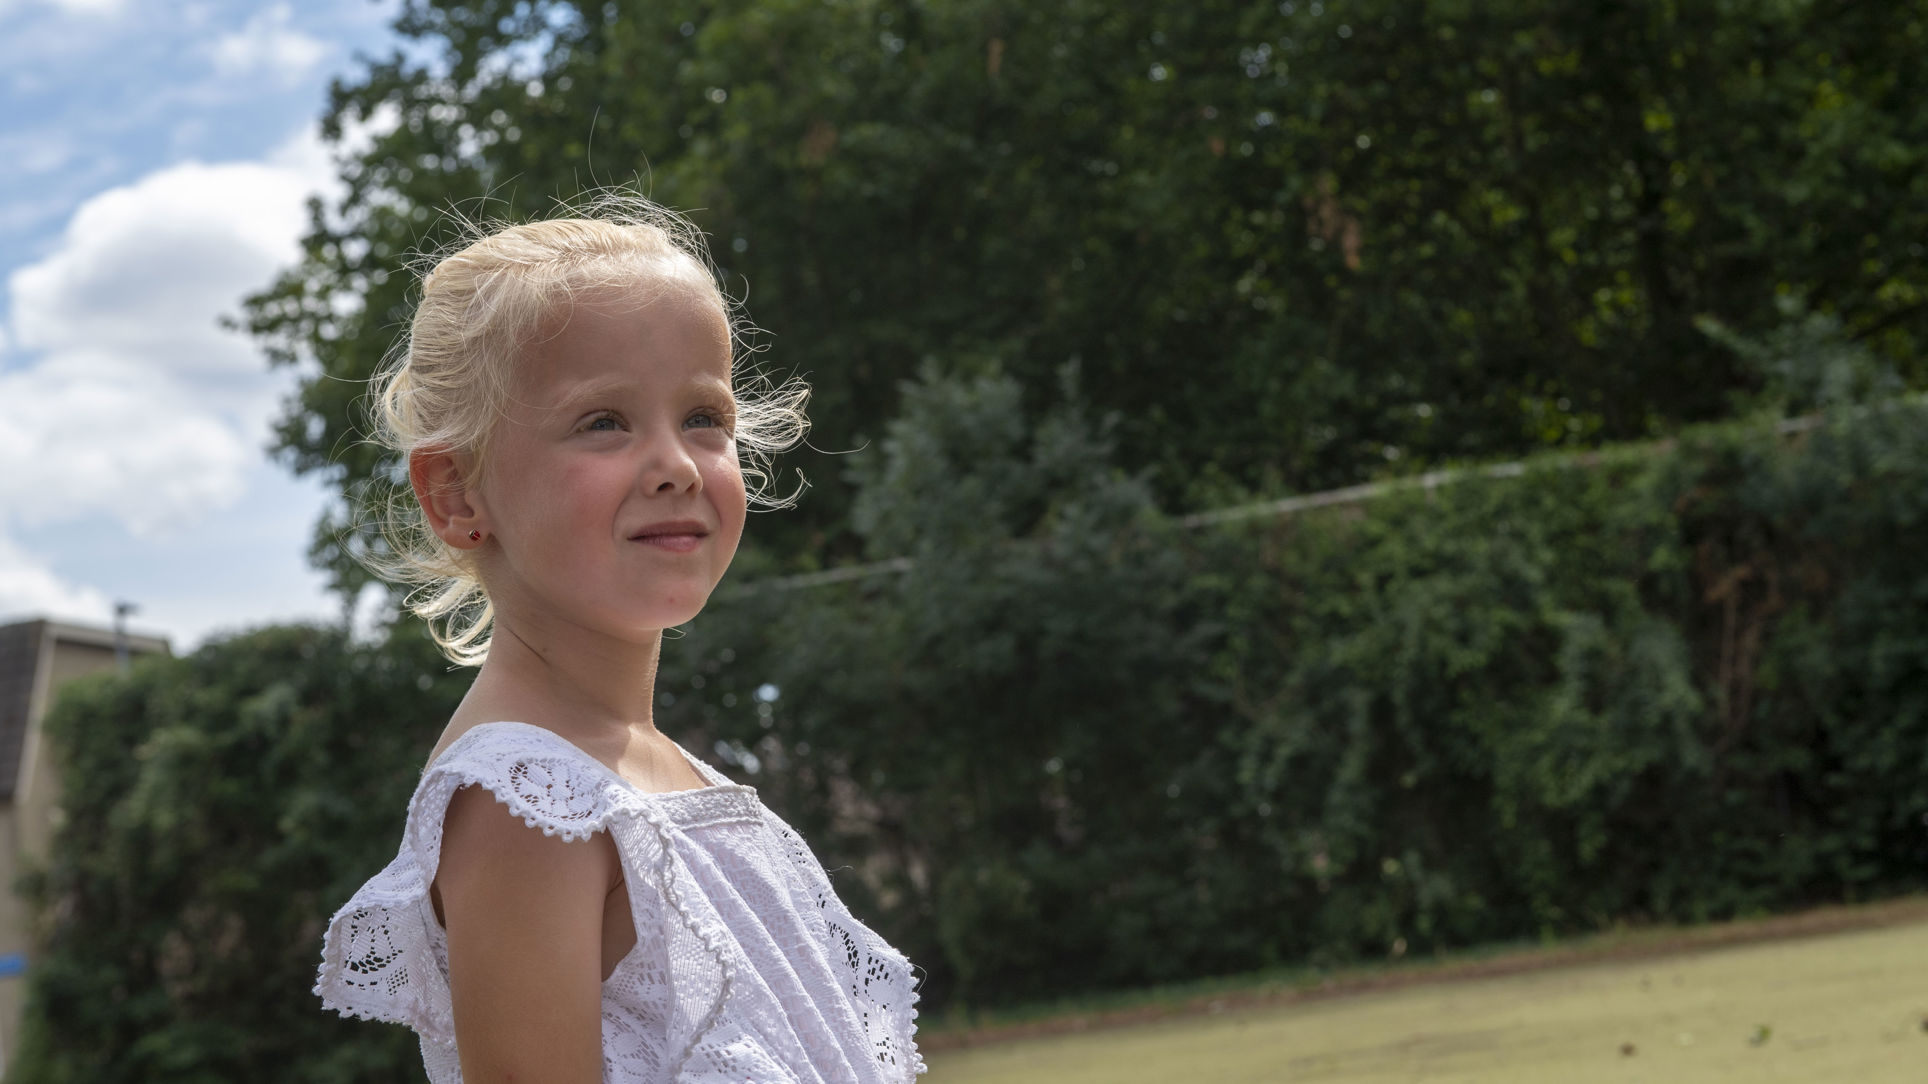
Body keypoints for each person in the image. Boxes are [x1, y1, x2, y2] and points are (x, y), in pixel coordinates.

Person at [313, 195, 924, 1083]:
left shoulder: (665, 774)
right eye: (604, 421)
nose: (677, 464)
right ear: (456, 494)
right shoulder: (526, 800)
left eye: (705, 418)